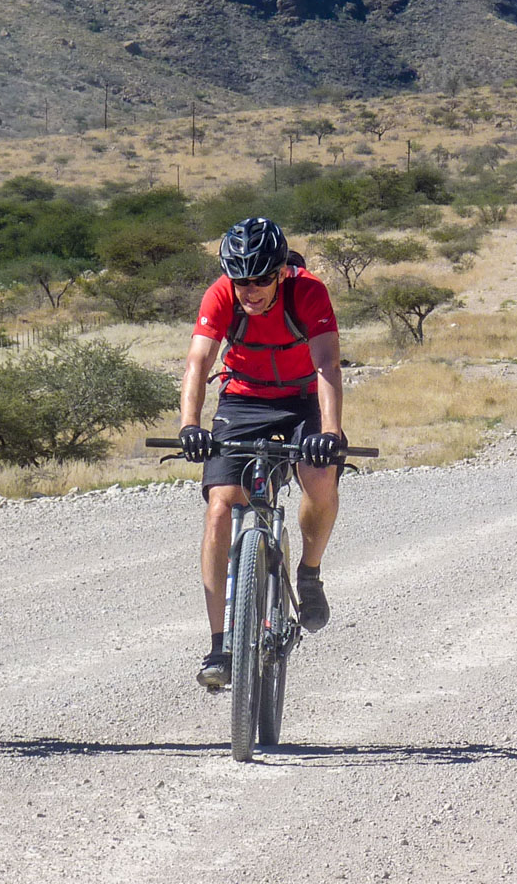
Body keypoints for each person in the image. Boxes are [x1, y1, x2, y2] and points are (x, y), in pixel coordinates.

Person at [177, 216, 346, 690]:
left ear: (280, 272)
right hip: (244, 398)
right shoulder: (222, 294)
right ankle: (220, 646)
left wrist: (329, 432)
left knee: (318, 478)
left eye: (260, 279)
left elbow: (328, 363)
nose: (249, 291)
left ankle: (309, 573)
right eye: (240, 279)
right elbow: (198, 361)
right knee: (218, 509)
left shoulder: (308, 292)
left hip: (301, 399)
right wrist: (190, 425)